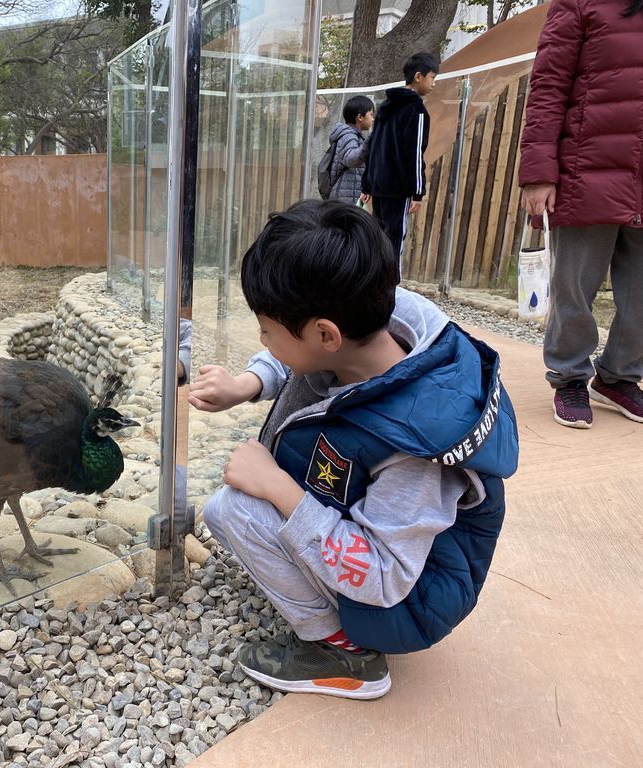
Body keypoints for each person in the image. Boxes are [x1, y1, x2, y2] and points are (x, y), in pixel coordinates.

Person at [188, 200, 518, 700]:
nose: (263, 340)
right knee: (255, 495)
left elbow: (384, 577)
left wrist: (278, 489)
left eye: (266, 332)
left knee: (232, 509)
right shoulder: (383, 319)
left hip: (406, 598)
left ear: (325, 334)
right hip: (384, 536)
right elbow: (299, 358)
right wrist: (248, 383)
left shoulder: (412, 450)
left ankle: (346, 654)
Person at [519, 0, 643, 428]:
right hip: (587, 170)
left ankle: (618, 378)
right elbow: (548, 85)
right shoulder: (581, 3)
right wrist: (538, 172)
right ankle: (568, 378)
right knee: (574, 289)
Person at [362, 52, 438, 260]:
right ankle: (389, 286)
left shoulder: (385, 108)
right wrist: (417, 192)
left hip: (378, 186)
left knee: (378, 238)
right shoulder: (417, 110)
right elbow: (414, 152)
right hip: (398, 188)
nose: (434, 83)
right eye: (432, 77)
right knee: (394, 240)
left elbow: (373, 148)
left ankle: (374, 284)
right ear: (419, 76)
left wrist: (367, 185)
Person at [318, 95, 375, 205]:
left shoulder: (353, 136)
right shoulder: (348, 136)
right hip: (345, 199)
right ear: (360, 117)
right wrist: (370, 140)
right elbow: (351, 159)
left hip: (347, 196)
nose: (373, 118)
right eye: (371, 114)